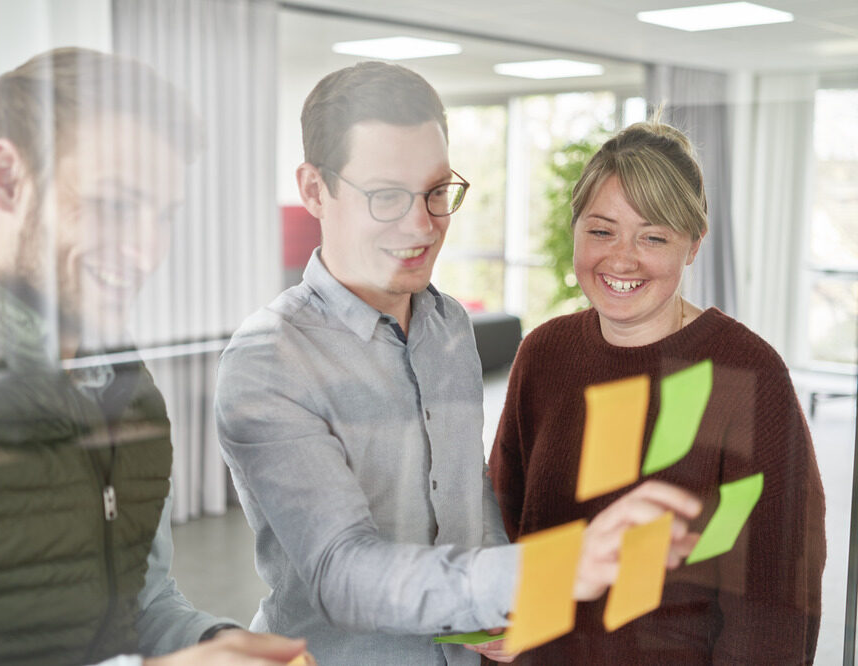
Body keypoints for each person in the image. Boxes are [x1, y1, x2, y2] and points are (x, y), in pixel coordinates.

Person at [214, 62, 704, 665]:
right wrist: (550, 571)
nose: (423, 226)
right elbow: (343, 573)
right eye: (388, 196)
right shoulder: (270, 359)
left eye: (437, 192)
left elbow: (466, 490)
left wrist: (505, 608)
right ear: (316, 189)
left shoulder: (447, 326)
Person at [0, 48, 308, 666]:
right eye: (115, 204)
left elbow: (142, 609)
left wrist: (212, 643)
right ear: (7, 180)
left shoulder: (124, 378)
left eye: (164, 215)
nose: (148, 251)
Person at [487, 121, 827, 664]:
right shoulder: (543, 353)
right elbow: (504, 524)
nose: (621, 260)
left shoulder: (747, 373)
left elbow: (773, 600)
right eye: (601, 231)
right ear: (574, 230)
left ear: (693, 245)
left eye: (653, 236)